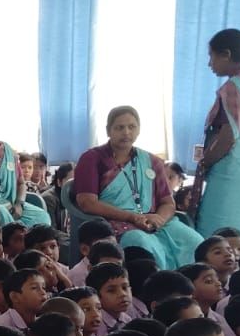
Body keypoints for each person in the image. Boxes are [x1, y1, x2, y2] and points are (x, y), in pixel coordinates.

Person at [73, 106, 204, 268]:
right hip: (118, 222)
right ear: (108, 131)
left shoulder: (152, 161)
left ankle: (195, 281)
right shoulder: (92, 158)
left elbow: (167, 202)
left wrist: (159, 219)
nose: (126, 132)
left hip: (156, 221)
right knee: (139, 242)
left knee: (195, 242)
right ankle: (158, 282)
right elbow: (87, 202)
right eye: (119, 127)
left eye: (132, 127)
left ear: (139, 130)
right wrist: (132, 217)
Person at [192, 29, 240, 246]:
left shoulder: (234, 85)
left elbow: (229, 135)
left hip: (235, 161)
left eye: (212, 56)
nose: (210, 64)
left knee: (220, 224)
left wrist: (206, 161)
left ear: (225, 55)